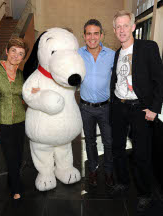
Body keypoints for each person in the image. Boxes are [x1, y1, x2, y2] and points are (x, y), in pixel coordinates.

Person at [110, 10, 163, 212]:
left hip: (140, 109)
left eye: (125, 25)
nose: (122, 30)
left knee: (142, 154)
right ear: (114, 30)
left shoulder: (148, 47)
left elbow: (160, 80)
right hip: (119, 106)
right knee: (117, 148)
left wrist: (154, 109)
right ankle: (122, 182)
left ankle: (145, 193)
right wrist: (114, 104)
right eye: (118, 27)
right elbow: (117, 80)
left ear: (133, 27)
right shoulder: (117, 53)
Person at [0, 37, 29, 200]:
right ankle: (16, 189)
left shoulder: (20, 75)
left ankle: (12, 180)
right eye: (13, 51)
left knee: (19, 155)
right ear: (6, 51)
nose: (16, 56)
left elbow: (24, 96)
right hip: (2, 121)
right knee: (10, 155)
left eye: (20, 54)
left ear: (23, 57)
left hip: (20, 120)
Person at [78, 19, 115, 187]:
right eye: (88, 34)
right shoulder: (77, 54)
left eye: (95, 33)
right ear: (84, 36)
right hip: (85, 108)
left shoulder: (112, 55)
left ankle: (108, 172)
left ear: (101, 35)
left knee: (108, 141)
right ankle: (92, 169)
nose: (92, 37)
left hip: (106, 107)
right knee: (90, 141)